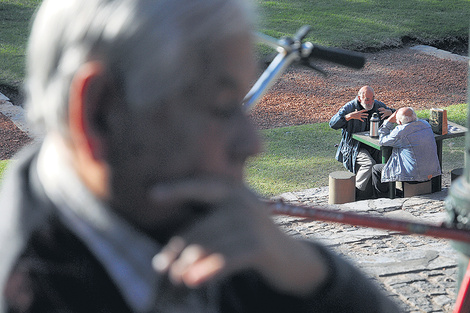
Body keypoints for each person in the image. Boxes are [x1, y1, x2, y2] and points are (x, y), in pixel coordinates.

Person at [0, 0, 401, 312]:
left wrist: (312, 275)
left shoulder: (209, 224)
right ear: (99, 115)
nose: (253, 145)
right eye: (223, 107)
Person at [329, 86, 395, 199]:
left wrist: (391, 113)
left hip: (374, 145)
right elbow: (333, 123)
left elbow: (402, 115)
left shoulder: (378, 106)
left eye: (372, 98)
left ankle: (384, 192)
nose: (371, 102)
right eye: (367, 99)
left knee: (390, 156)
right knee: (369, 163)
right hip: (354, 146)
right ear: (360, 99)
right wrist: (348, 117)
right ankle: (356, 193)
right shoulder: (350, 107)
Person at [372, 107, 441, 198]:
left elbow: (383, 141)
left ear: (400, 123)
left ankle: (385, 197)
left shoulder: (400, 131)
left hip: (413, 175)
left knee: (376, 169)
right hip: (432, 171)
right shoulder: (426, 124)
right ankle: (396, 192)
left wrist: (388, 121)